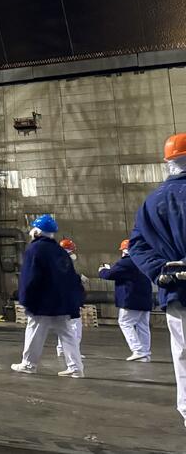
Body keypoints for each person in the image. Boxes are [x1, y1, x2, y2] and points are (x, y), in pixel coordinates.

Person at [127, 133, 186, 429]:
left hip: (177, 292)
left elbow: (136, 246)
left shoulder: (152, 203)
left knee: (184, 354)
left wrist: (161, 270)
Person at [11, 214, 85, 377]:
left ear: (37, 232)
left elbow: (29, 277)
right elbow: (72, 278)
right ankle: (76, 368)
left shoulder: (35, 249)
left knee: (34, 332)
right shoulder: (60, 252)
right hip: (62, 302)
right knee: (67, 334)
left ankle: (29, 364)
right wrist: (74, 300)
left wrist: (25, 299)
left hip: (42, 302)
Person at [98, 239, 154, 362]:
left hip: (130, 300)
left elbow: (109, 275)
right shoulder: (142, 261)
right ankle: (144, 352)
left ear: (124, 250)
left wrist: (102, 270)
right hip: (145, 299)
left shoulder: (126, 262)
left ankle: (138, 350)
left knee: (125, 322)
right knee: (143, 326)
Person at [53, 238, 88, 377]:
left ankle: (66, 354)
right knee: (73, 329)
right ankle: (74, 360)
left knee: (65, 329)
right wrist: (79, 279)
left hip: (63, 301)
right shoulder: (63, 262)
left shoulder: (58, 261)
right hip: (67, 301)